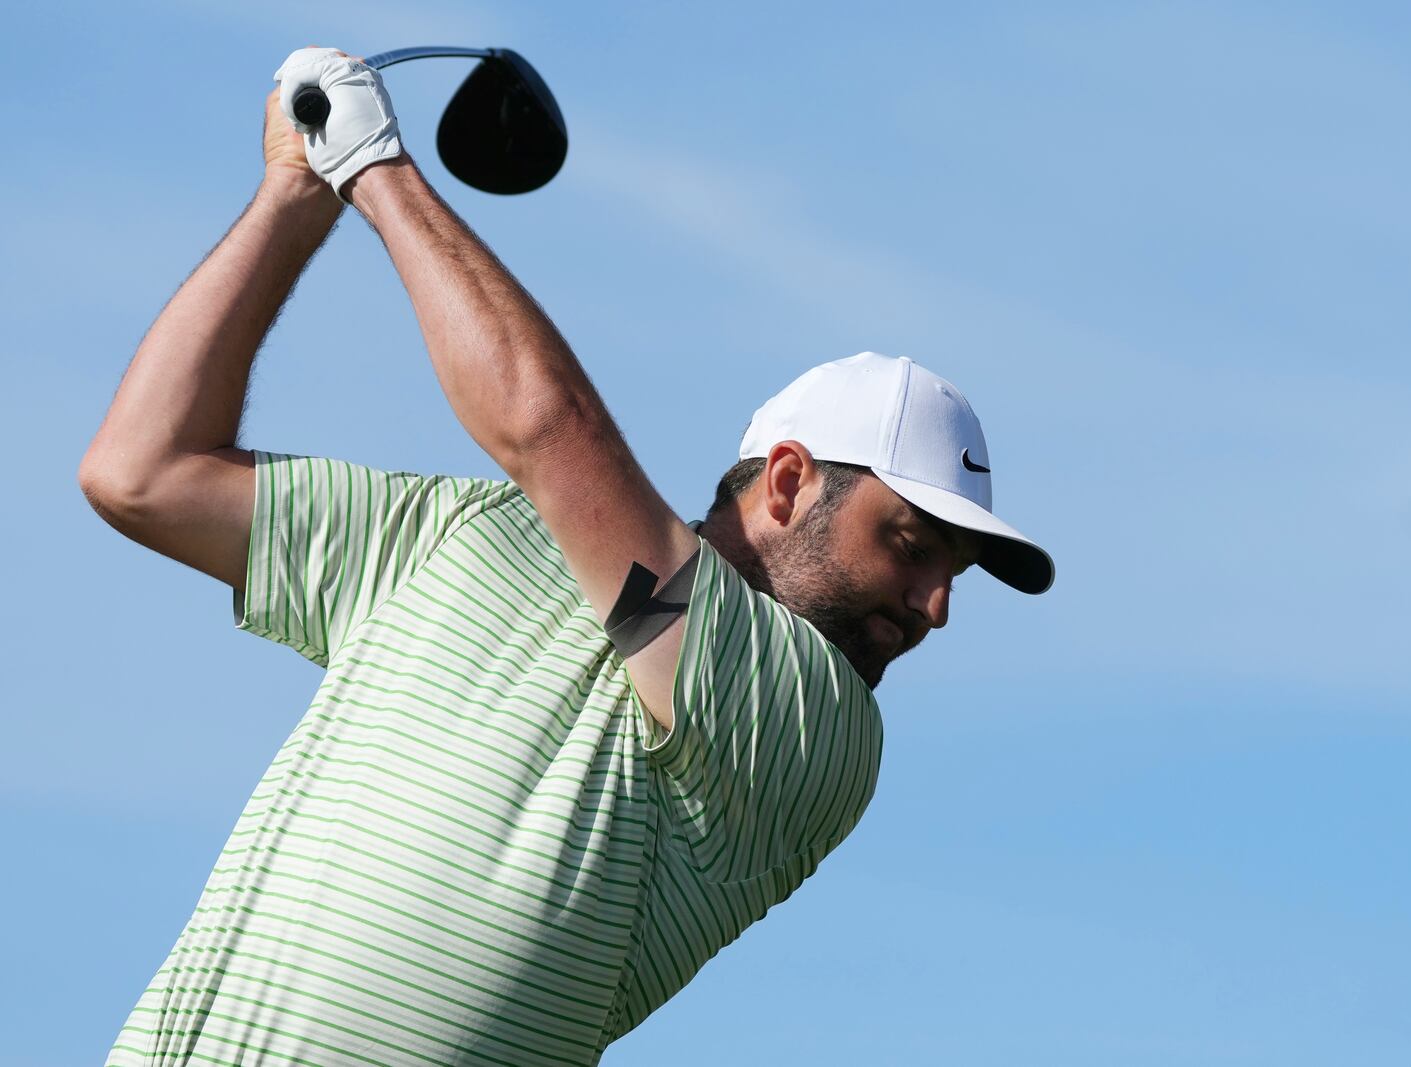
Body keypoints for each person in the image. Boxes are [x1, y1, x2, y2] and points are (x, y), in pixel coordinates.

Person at [80, 49, 1053, 1067]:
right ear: (786, 483)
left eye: (957, 572)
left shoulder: (807, 730)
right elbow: (143, 470)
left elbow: (548, 431)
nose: (937, 605)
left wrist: (373, 169)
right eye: (909, 543)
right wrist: (293, 192)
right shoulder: (469, 537)